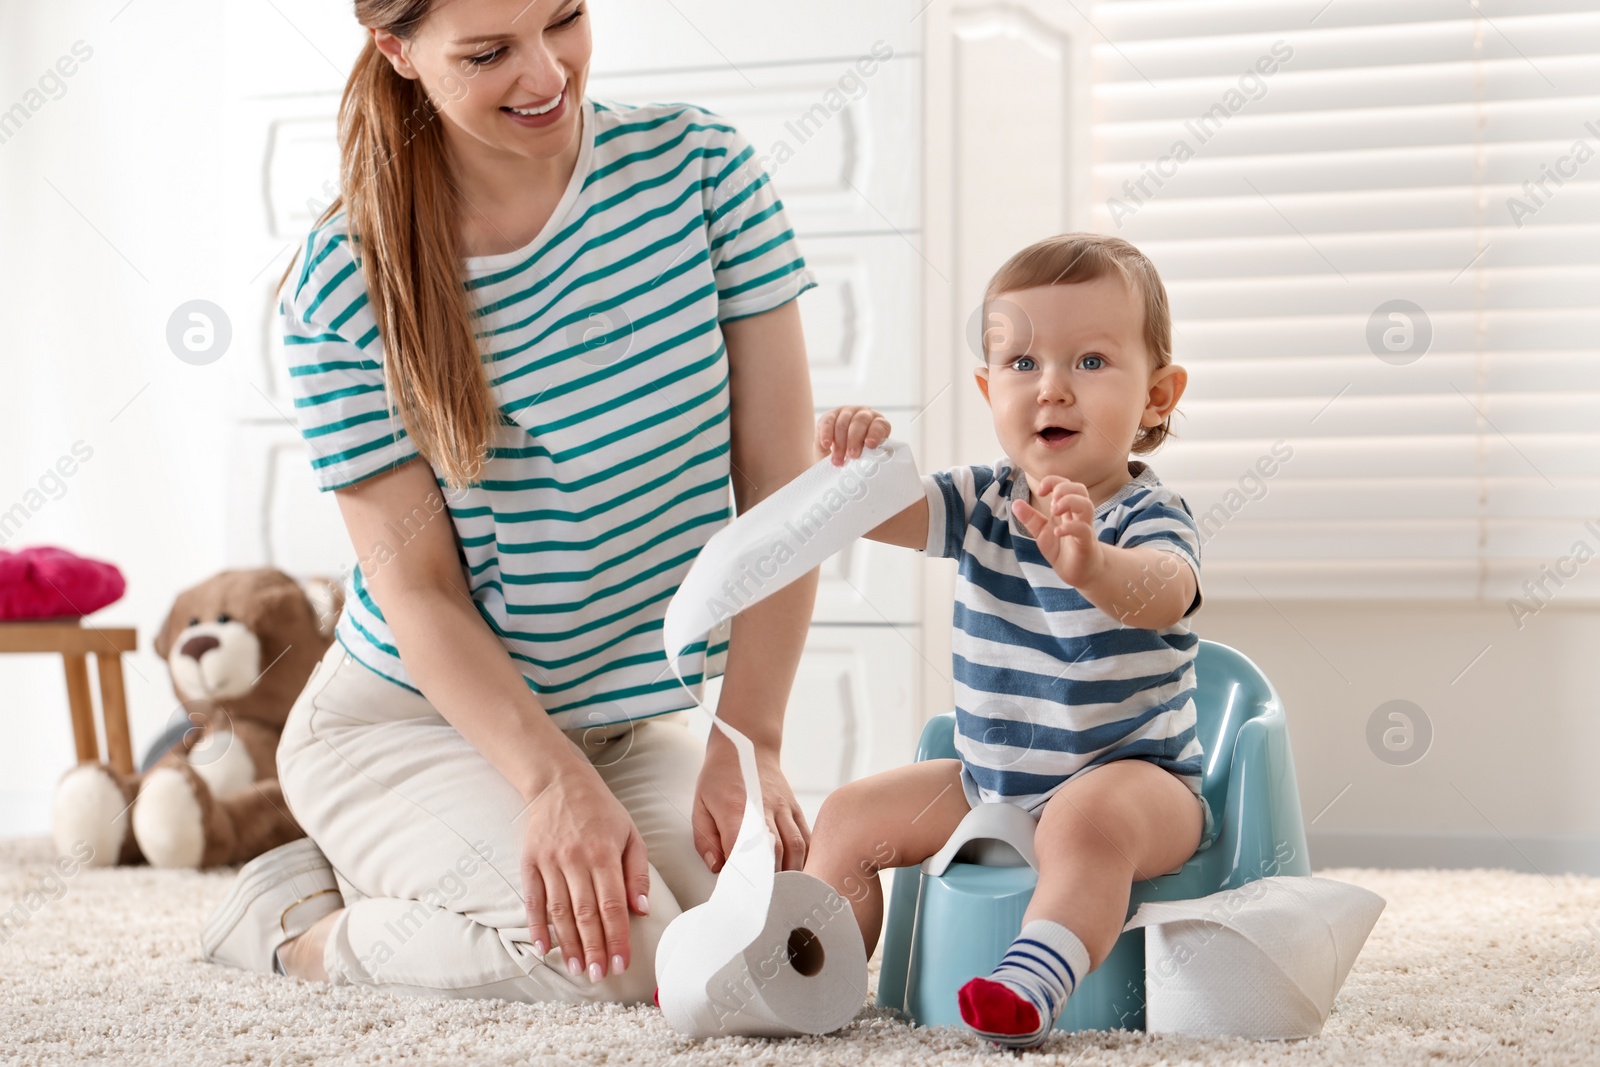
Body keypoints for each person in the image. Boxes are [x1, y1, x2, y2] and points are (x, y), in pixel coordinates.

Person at [199, 0, 820, 1006]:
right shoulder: (342, 284)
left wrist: (750, 740)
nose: (546, 77)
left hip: (612, 724)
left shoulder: (702, 171)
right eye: (488, 53)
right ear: (395, 51)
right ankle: (296, 927)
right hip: (405, 727)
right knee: (619, 967)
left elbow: (784, 484)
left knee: (769, 942)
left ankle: (427, 864)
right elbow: (423, 594)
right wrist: (547, 785)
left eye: (564, 19)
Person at [803, 233, 1215, 1048]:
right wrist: (853, 464)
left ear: (1159, 395)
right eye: (1023, 365)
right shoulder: (982, 500)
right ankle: (810, 969)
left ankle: (1036, 974)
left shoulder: (1145, 516)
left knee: (1081, 825)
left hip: (1137, 780)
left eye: (1090, 362)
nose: (1052, 388)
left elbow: (1164, 594)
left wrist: (1090, 562)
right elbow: (876, 513)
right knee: (848, 815)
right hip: (992, 777)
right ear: (990, 389)